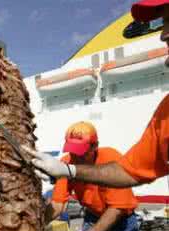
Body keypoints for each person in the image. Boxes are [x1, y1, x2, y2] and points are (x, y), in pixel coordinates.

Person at [31, 0, 169, 189]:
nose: (163, 35)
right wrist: (69, 171)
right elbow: (129, 171)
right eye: (163, 24)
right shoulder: (165, 112)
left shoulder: (108, 155)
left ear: (95, 146)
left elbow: (117, 207)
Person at [44, 122, 143, 231]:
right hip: (92, 218)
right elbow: (58, 204)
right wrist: (37, 225)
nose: (76, 157)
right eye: (73, 151)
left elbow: (117, 208)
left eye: (81, 152)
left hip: (122, 225)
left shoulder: (111, 159)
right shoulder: (66, 163)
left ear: (95, 146)